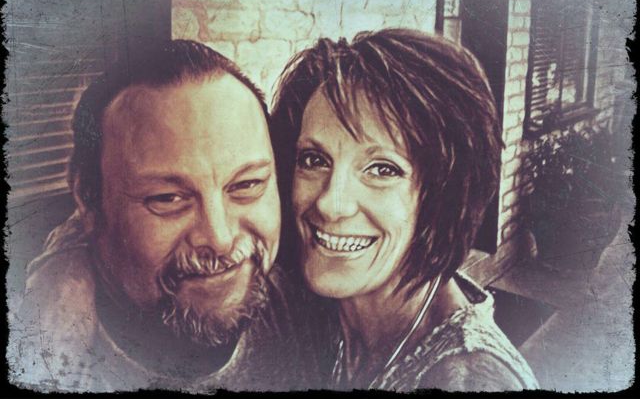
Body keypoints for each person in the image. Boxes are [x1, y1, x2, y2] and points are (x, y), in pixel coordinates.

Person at [9, 40, 325, 392]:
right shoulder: (40, 355)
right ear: (88, 197)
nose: (220, 239)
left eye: (247, 184)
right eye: (168, 198)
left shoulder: (316, 306)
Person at [270, 28, 540, 391]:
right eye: (314, 159)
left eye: (382, 169)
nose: (331, 204)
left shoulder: (467, 381)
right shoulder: (317, 310)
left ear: (442, 197)